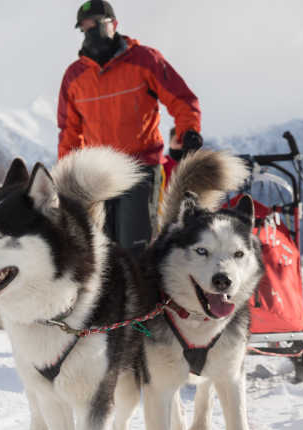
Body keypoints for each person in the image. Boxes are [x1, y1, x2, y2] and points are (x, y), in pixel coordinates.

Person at [57, 0, 203, 251]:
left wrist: (188, 130)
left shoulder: (145, 60)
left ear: (113, 24)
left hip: (139, 169)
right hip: (98, 175)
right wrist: (67, 174)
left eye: (95, 25)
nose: (89, 32)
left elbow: (180, 98)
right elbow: (69, 130)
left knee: (134, 249)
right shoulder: (75, 76)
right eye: (84, 28)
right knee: (102, 251)